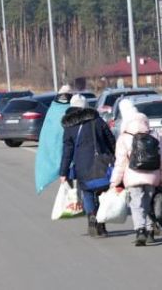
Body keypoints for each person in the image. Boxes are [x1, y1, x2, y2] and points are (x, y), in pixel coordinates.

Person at [109, 107, 162, 246]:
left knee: (137, 204)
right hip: (152, 176)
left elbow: (120, 163)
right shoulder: (155, 135)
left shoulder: (124, 138)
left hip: (133, 177)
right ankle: (150, 231)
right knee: (148, 203)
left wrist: (115, 182)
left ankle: (140, 231)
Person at [59, 94, 116, 237]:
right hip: (101, 164)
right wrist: (115, 156)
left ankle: (91, 216)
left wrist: (63, 172)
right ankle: (101, 223)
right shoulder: (97, 121)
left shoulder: (69, 126)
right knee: (103, 193)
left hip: (82, 166)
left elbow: (67, 151)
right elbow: (110, 139)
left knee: (88, 192)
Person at [35, 85, 73, 194]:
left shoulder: (53, 109)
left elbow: (47, 132)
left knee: (66, 179)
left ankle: (72, 201)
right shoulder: (71, 107)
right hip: (72, 151)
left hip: (61, 151)